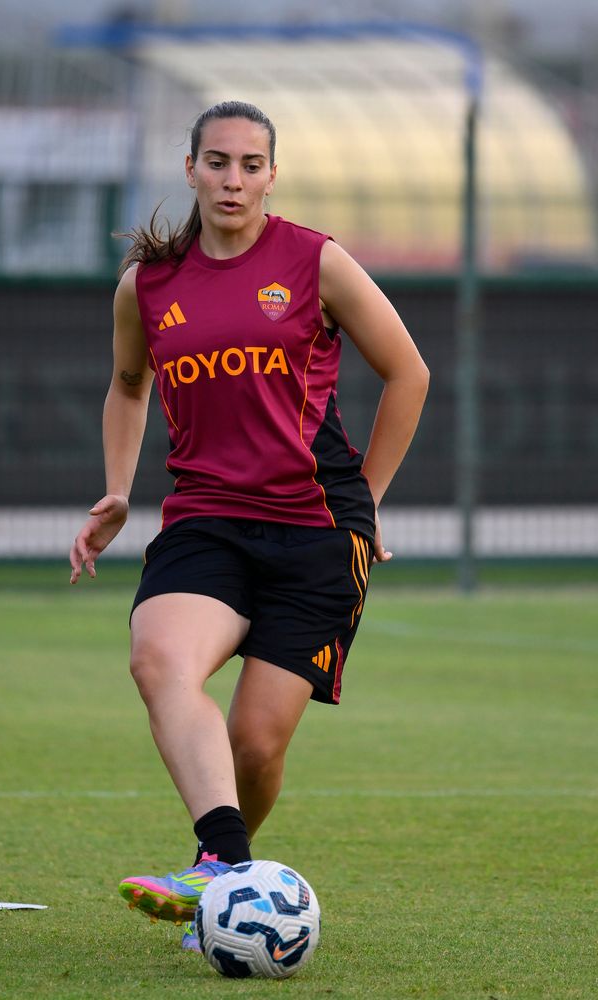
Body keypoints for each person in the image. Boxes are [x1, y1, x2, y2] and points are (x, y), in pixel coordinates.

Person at [69, 100, 429, 951]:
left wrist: (368, 499)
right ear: (190, 168)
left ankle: (219, 871)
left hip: (315, 529)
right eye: (218, 162)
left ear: (273, 174)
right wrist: (118, 490)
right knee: (160, 660)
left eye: (251, 164)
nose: (234, 179)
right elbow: (129, 385)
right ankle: (224, 874)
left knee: (255, 747)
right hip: (207, 520)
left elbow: (408, 374)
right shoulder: (148, 286)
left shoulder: (316, 262)